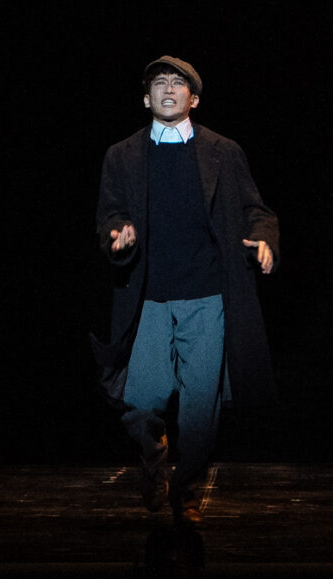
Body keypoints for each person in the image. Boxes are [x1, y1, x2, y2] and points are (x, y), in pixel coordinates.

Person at [92, 56, 279, 523]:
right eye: (160, 83)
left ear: (193, 99)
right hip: (149, 298)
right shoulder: (122, 155)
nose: (169, 89)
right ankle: (154, 455)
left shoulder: (223, 151)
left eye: (178, 83)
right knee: (141, 403)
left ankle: (187, 490)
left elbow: (256, 210)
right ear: (146, 98)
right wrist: (118, 237)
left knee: (200, 407)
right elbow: (110, 214)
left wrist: (264, 239)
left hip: (207, 296)